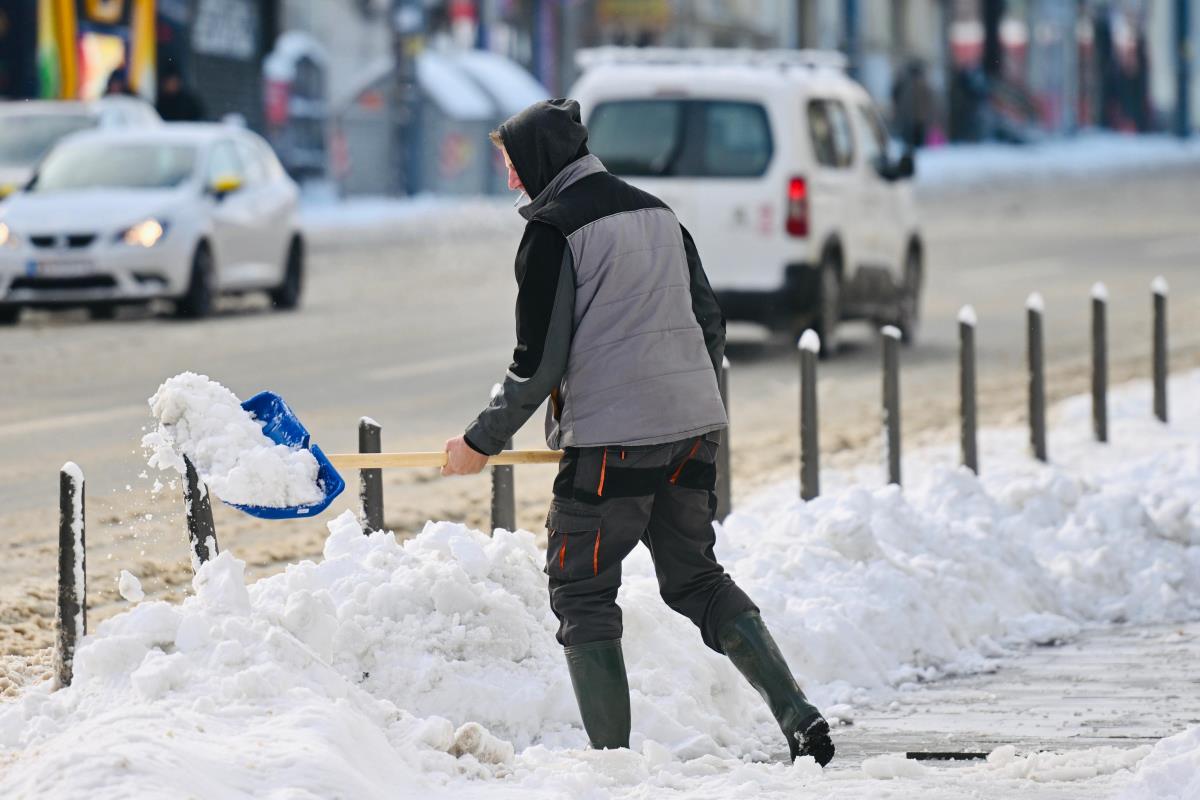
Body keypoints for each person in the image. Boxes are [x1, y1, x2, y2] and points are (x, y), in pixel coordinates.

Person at [440, 99, 834, 766]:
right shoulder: (658, 211)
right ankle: (799, 715)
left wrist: (481, 440)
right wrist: (681, 398)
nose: (510, 179)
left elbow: (538, 362)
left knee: (582, 590)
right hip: (694, 432)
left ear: (539, 160)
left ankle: (613, 765)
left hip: (612, 447)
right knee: (697, 579)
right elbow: (710, 323)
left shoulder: (552, 232)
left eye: (511, 164)